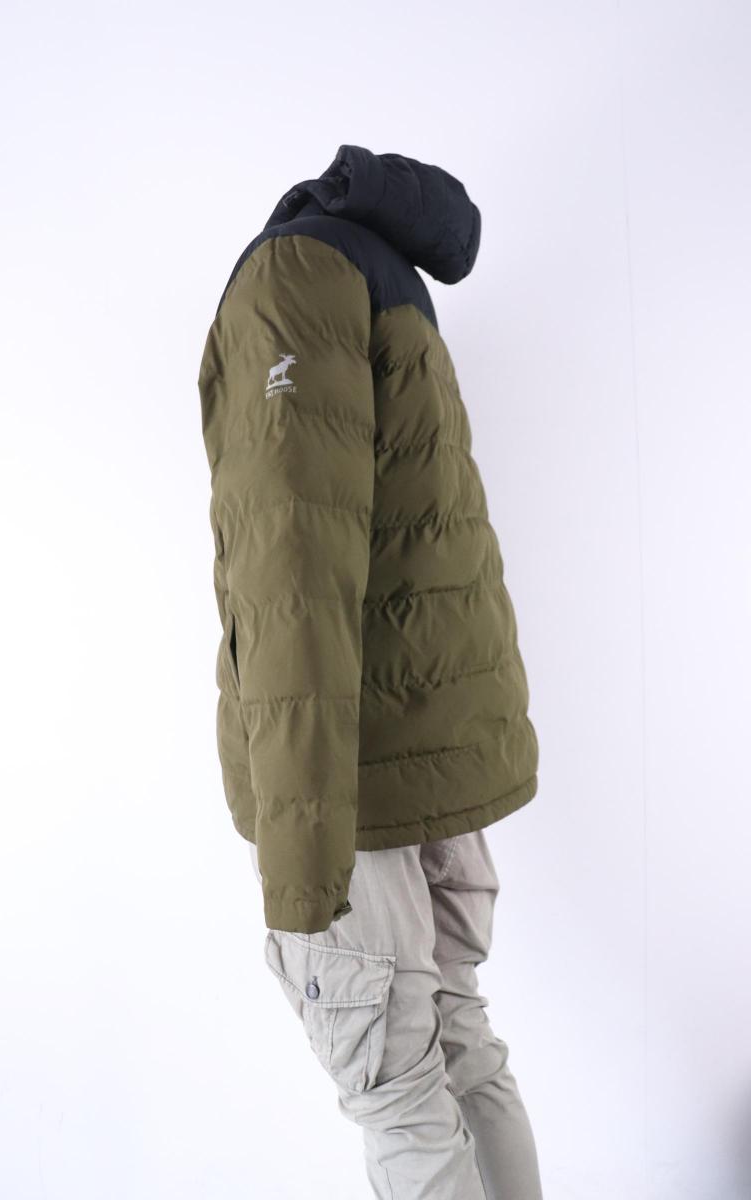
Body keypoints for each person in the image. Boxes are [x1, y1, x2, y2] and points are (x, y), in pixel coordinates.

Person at [197, 143, 543, 1200]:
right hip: (426, 763)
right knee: (459, 1043)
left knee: (396, 1094)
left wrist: (302, 873)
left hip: (351, 793)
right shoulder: (381, 268)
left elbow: (294, 577)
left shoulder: (293, 276)